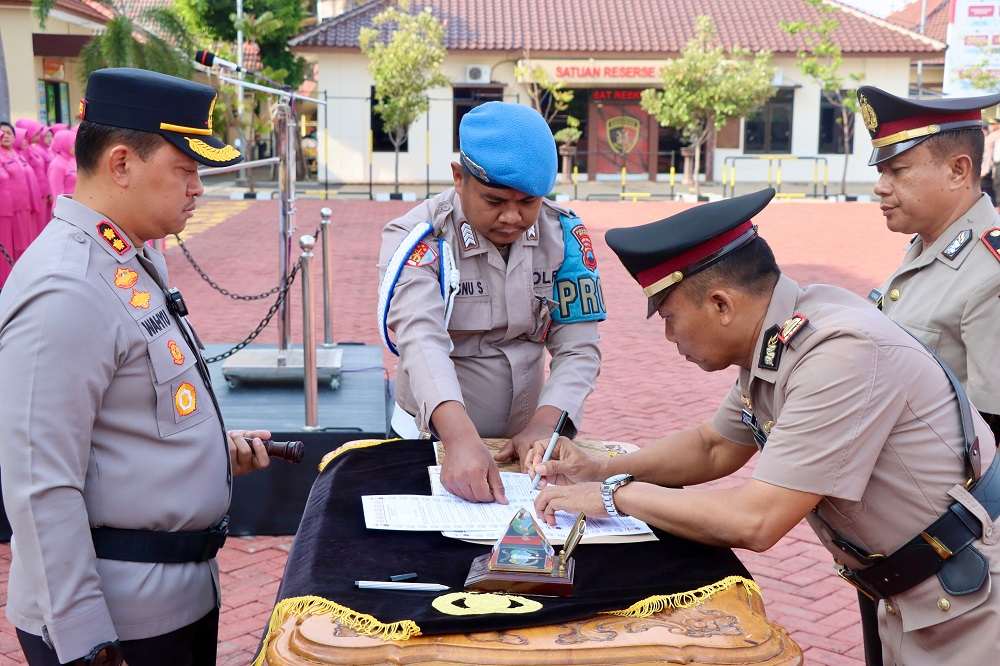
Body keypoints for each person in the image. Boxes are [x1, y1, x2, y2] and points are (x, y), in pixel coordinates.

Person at [530, 188, 1000, 665]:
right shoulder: (778, 336)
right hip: (917, 588)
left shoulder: (839, 352)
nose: (669, 336)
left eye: (669, 317)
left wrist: (615, 496)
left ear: (721, 304)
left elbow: (757, 520)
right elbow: (714, 446)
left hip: (970, 596)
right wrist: (598, 468)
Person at [0, 67, 267, 666]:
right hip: (120, 622)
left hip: (174, 598)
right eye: (185, 170)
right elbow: (40, 484)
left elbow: (129, 417)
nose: (198, 189)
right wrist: (86, 642)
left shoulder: (127, 258)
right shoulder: (66, 287)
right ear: (121, 164)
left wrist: (207, 453)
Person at [377, 101, 604, 503]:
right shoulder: (420, 238)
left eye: (528, 202)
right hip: (432, 440)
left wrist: (546, 424)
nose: (512, 217)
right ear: (459, 177)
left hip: (527, 448)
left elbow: (579, 348)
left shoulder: (564, 237)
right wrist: (459, 437)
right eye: (495, 201)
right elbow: (422, 340)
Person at [857, 86, 1000, 441]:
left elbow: (992, 433)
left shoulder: (991, 273)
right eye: (881, 172)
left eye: (897, 171)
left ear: (958, 171)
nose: (880, 187)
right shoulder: (927, 246)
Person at [0, 122, 39, 260]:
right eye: (2, 133)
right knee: (9, 245)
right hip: (8, 210)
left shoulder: (17, 154)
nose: (5, 136)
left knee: (23, 245)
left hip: (24, 207)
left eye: (9, 133)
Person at [47, 127, 78, 198]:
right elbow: (57, 194)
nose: (77, 146)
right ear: (64, 144)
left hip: (76, 202)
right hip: (67, 204)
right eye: (73, 144)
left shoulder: (72, 160)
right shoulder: (57, 165)